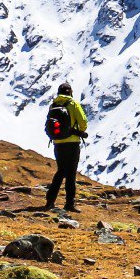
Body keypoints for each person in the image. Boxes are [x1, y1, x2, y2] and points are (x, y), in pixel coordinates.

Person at [44, 81, 89, 212]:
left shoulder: (53, 105)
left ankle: (50, 200)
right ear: (70, 92)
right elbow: (83, 122)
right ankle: (69, 204)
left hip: (58, 143)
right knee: (71, 174)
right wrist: (77, 130)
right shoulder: (73, 104)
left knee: (60, 171)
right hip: (72, 143)